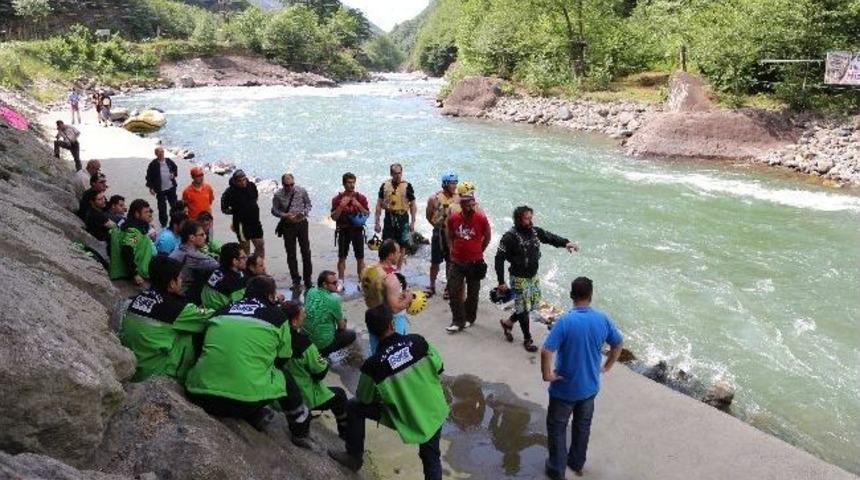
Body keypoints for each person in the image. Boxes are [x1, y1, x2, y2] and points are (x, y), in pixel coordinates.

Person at [185, 275, 313, 447]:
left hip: (199, 394)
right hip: (244, 401)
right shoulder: (277, 316)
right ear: (271, 295)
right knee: (284, 378)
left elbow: (201, 346)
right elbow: (282, 359)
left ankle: (256, 413)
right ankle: (300, 430)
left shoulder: (221, 310)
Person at [327, 304, 449, 479]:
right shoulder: (418, 341)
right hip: (434, 409)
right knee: (431, 457)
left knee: (354, 406)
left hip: (405, 414)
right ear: (392, 324)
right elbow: (439, 367)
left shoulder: (372, 365)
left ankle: (354, 457)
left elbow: (365, 398)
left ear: (371, 332)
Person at [541, 277, 623, 479]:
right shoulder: (602, 319)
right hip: (589, 388)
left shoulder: (566, 321)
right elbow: (618, 344)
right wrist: (607, 367)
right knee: (582, 426)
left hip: (564, 389)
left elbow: (546, 351)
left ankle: (556, 469)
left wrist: (547, 375)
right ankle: (576, 462)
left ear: (571, 295)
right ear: (591, 295)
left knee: (557, 428)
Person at [495, 206, 579, 352]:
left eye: (531, 217)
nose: (530, 221)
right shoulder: (509, 237)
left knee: (532, 305)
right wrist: (501, 281)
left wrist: (566, 243)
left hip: (533, 277)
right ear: (518, 219)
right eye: (526, 218)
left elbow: (550, 238)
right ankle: (527, 339)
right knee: (523, 309)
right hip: (519, 278)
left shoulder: (535, 232)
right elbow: (499, 259)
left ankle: (508, 322)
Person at [120, 255, 214, 383]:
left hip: (136, 365)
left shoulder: (139, 298)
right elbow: (213, 317)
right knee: (202, 333)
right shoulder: (176, 309)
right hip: (156, 372)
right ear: (172, 283)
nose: (181, 280)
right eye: (179, 277)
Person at [282, 300, 349, 439]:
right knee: (340, 396)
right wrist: (324, 361)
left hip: (279, 393)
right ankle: (345, 435)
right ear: (294, 321)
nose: (305, 316)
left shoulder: (276, 338)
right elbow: (320, 373)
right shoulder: (304, 345)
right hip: (302, 395)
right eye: (302, 314)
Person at [444, 193, 491, 333]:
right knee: (453, 290)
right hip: (457, 261)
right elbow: (449, 234)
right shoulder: (453, 218)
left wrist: (480, 250)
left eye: (473, 205)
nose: (471, 208)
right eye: (468, 206)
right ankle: (457, 320)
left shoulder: (481, 219)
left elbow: (488, 236)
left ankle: (470, 318)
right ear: (462, 205)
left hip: (475, 262)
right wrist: (451, 249)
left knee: (473, 293)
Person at [360, 239, 411, 353]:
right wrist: (409, 299)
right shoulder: (391, 278)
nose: (400, 254)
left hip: (372, 317)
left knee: (376, 352)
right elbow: (394, 309)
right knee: (395, 353)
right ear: (391, 255)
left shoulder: (367, 270)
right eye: (398, 252)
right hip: (390, 323)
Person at [272, 173, 313, 291]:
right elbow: (274, 210)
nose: (289, 187)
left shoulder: (301, 191)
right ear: (282, 184)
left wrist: (303, 213)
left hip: (302, 223)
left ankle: (308, 280)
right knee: (291, 254)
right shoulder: (278, 195)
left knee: (306, 252)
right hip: (288, 226)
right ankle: (296, 281)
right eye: (287, 185)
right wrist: (285, 215)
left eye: (291, 184)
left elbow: (308, 204)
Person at [304, 271, 356, 357]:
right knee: (351, 334)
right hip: (321, 344)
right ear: (324, 284)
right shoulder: (334, 299)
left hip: (306, 340)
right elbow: (341, 326)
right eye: (334, 283)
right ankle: (324, 353)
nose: (337, 285)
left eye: (337, 282)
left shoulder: (310, 291)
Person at [373, 163, 416, 268]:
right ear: (391, 174)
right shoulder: (385, 186)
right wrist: (377, 223)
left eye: (399, 173)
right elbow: (379, 204)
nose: (398, 176)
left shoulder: (407, 186)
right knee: (387, 243)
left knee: (402, 244)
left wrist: (412, 222)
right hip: (389, 216)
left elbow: (413, 205)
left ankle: (398, 270)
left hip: (403, 217)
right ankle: (385, 267)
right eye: (395, 173)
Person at [331, 172, 369, 287]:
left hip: (358, 230)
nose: (352, 185)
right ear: (344, 184)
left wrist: (358, 205)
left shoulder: (361, 198)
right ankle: (341, 281)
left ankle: (360, 281)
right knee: (342, 257)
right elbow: (334, 217)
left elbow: (367, 213)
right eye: (349, 182)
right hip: (343, 230)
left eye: (353, 182)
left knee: (360, 257)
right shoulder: (337, 199)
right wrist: (341, 206)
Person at [425, 170, 459, 298]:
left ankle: (448, 287)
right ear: (445, 184)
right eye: (452, 183)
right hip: (438, 232)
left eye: (455, 182)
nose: (454, 185)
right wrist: (437, 227)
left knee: (451, 261)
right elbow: (428, 216)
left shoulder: (458, 199)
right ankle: (431, 285)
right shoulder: (434, 198)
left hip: (452, 234)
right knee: (435, 261)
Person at [169, 220, 219, 305]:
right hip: (183, 295)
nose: (205, 237)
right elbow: (216, 264)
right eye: (202, 235)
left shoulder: (180, 248)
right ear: (192, 237)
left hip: (172, 291)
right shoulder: (192, 255)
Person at [109, 199, 156, 284]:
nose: (149, 214)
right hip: (140, 271)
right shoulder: (134, 232)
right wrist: (134, 274)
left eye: (149, 211)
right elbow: (127, 250)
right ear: (137, 214)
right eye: (146, 212)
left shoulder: (139, 227)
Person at [221, 169, 264, 258]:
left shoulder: (251, 186)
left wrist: (250, 208)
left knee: (260, 245)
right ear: (235, 181)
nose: (243, 182)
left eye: (244, 179)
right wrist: (236, 211)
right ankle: (246, 265)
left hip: (255, 222)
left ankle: (259, 264)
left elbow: (255, 198)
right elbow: (224, 209)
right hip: (241, 224)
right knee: (245, 248)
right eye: (240, 181)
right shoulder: (229, 192)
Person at [201, 242, 248, 311]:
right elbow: (240, 305)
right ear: (234, 261)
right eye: (243, 257)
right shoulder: (236, 281)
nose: (246, 260)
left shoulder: (214, 271)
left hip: (205, 309)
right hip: (220, 313)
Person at [145, 147, 178, 229]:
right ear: (156, 154)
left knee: (174, 205)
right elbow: (149, 176)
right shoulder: (153, 164)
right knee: (162, 208)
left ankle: (176, 221)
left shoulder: (168, 161)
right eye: (159, 152)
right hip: (160, 189)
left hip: (171, 187)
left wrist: (173, 174)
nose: (161, 153)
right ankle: (163, 224)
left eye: (162, 152)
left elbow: (175, 168)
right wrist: (151, 188)